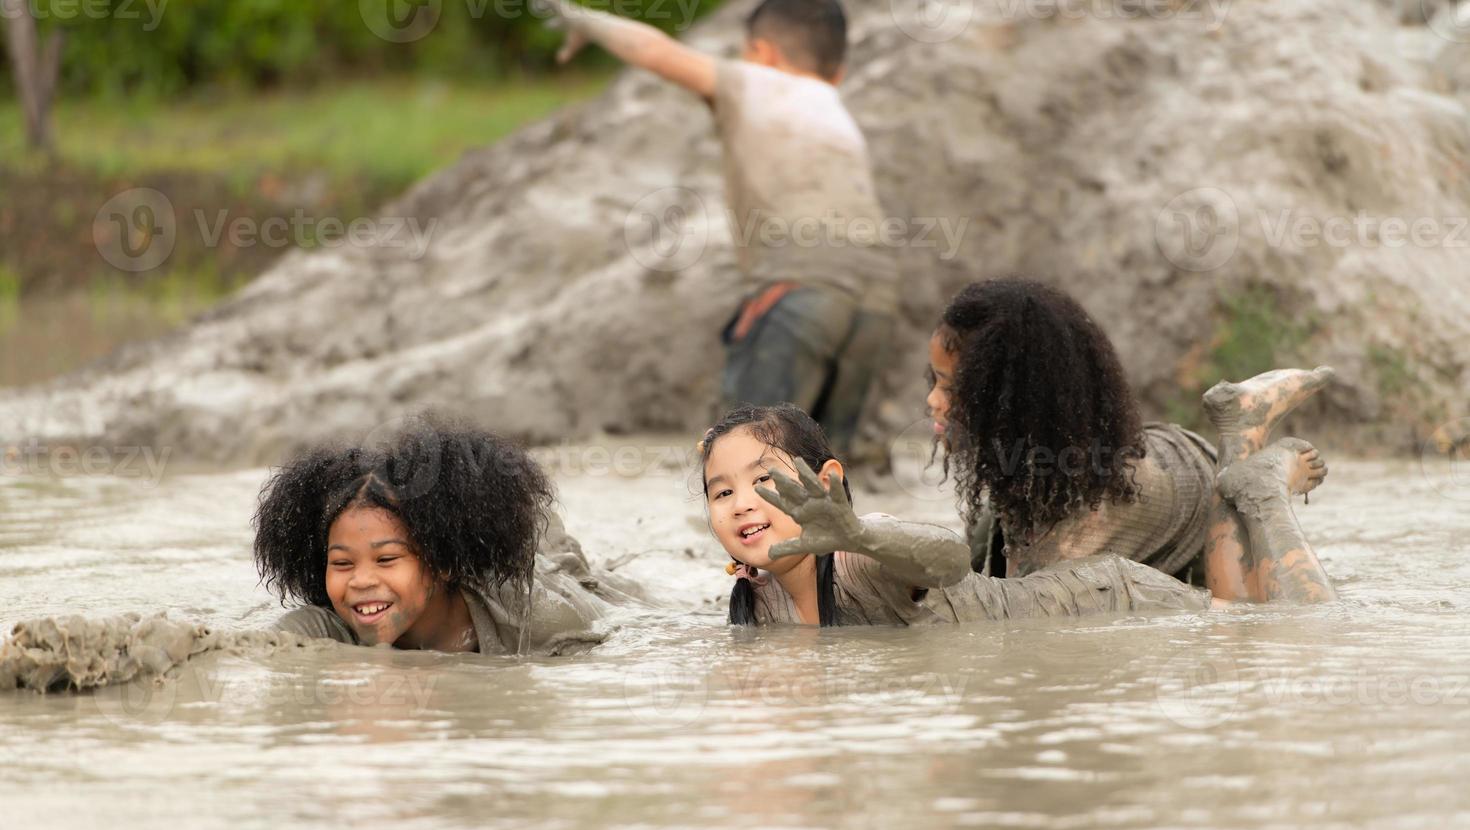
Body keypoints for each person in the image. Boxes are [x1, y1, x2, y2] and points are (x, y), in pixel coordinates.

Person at [544, 0, 898, 455]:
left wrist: (586, 21)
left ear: (763, 52)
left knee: (749, 455)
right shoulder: (835, 107)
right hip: (878, 299)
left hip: (801, 287)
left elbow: (655, 51)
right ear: (839, 71)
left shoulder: (756, 81)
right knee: (830, 465)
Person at [698, 402, 1334, 628]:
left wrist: (859, 532)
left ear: (828, 480)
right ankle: (1240, 445)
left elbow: (948, 558)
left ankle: (1264, 483)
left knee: (1291, 621)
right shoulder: (757, 601)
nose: (744, 502)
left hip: (1104, 599)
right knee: (1245, 605)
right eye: (721, 492)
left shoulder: (860, 560)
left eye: (763, 480)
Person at [926, 278, 1335, 592]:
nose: (932, 400)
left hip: (1197, 496)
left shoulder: (1078, 536)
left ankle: (1245, 442)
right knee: (981, 547)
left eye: (949, 387)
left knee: (1242, 600)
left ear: (1011, 404)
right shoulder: (1038, 471)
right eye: (934, 381)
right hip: (1153, 461)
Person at [253, 416, 615, 654]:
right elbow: (251, 649)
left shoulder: (543, 621)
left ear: (441, 560)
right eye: (342, 563)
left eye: (386, 559)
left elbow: (616, 631)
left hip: (554, 572)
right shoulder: (330, 625)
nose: (360, 581)